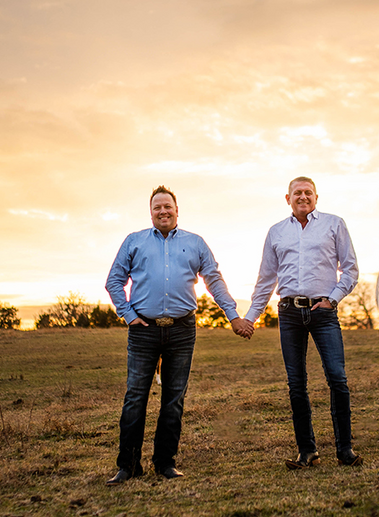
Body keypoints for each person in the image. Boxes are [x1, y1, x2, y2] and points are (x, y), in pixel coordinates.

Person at [104, 186, 252, 486]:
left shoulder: (195, 243)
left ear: (176, 209)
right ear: (151, 212)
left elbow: (214, 280)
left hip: (182, 330)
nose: (163, 211)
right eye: (157, 207)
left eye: (167, 206)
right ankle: (128, 465)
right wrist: (129, 316)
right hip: (143, 330)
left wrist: (233, 315)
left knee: (174, 398)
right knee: (135, 397)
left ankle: (165, 462)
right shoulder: (134, 242)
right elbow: (114, 281)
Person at [238, 176, 362, 469]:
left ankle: (345, 449)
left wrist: (332, 300)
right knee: (296, 384)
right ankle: (307, 451)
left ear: (316, 198)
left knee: (337, 379)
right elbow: (266, 279)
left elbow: (351, 269)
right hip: (289, 313)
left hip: (323, 312)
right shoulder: (276, 232)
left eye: (308, 193)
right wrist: (250, 317)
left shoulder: (334, 224)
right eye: (297, 193)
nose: (302, 197)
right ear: (288, 198)